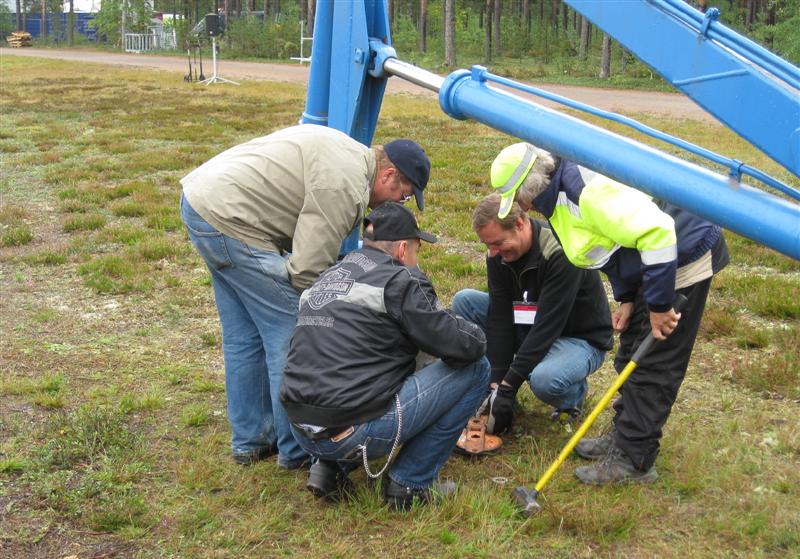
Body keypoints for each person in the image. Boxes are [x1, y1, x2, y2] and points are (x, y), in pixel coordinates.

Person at [179, 124, 430, 468]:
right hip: (233, 218)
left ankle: (252, 440)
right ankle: (297, 450)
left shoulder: (350, 155)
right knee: (292, 330)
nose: (398, 204)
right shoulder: (345, 186)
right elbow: (307, 272)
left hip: (204, 201)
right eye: (403, 195)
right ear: (388, 175)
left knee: (245, 337)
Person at [490, 142, 729, 485]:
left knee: (654, 365)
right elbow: (614, 246)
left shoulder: (584, 194)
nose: (520, 207)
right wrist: (629, 297)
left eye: (517, 198)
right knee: (631, 352)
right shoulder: (556, 199)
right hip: (652, 262)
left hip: (680, 255)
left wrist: (660, 307)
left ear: (531, 187)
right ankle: (623, 436)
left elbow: (655, 233)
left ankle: (634, 461)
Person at [279, 203, 490, 510]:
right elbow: (462, 346)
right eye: (418, 250)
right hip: (355, 434)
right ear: (404, 249)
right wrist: (468, 328)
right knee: (476, 370)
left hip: (300, 428)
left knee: (356, 364)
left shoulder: (328, 276)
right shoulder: (398, 281)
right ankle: (409, 483)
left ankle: (328, 468)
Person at [452, 195, 613, 435]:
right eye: (488, 245)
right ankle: (491, 391)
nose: (493, 253)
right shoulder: (497, 254)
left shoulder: (562, 251)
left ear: (519, 224)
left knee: (545, 380)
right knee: (464, 301)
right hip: (528, 323)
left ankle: (574, 396)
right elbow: (501, 316)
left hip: (575, 337)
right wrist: (498, 381)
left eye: (497, 243)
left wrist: (510, 385)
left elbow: (547, 327)